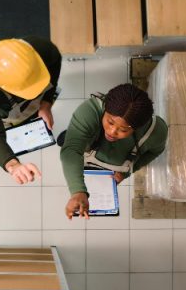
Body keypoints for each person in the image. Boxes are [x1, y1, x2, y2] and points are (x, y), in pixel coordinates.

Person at [59, 84, 168, 219]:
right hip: (87, 151)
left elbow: (155, 152)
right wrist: (77, 191)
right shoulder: (90, 110)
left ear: (138, 128)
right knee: (70, 141)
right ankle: (78, 134)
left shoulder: (156, 131)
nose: (112, 132)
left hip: (118, 163)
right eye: (110, 122)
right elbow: (72, 149)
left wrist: (128, 171)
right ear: (105, 109)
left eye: (123, 130)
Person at [0, 36, 61, 184]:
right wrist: (13, 165)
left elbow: (55, 62)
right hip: (7, 114)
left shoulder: (40, 49)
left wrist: (46, 104)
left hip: (37, 103)